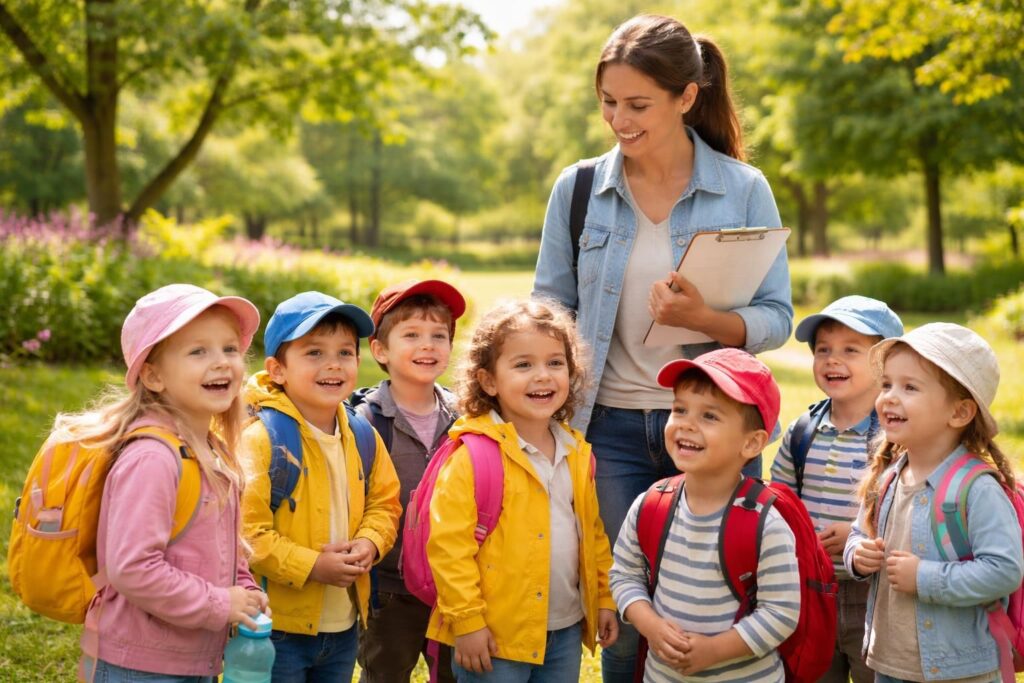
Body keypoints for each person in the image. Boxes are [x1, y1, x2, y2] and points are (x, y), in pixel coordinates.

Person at [532, 14, 793, 679]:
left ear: (687, 96)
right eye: (608, 102)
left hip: (716, 429)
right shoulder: (579, 189)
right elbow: (550, 310)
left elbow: (776, 317)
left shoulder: (743, 189)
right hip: (608, 430)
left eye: (638, 105)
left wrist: (706, 318)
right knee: (624, 617)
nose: (619, 120)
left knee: (727, 607)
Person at [66, 284, 269, 682]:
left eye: (230, 349)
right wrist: (219, 604)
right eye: (198, 351)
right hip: (139, 666)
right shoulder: (153, 458)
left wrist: (245, 590)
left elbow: (223, 547)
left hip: (192, 657)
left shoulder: (211, 450)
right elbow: (133, 568)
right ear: (154, 375)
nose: (222, 362)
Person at [426, 299, 619, 681]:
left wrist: (604, 598)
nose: (543, 376)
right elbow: (449, 548)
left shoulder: (576, 451)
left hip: (564, 629)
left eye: (555, 363)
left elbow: (592, 535)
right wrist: (467, 622)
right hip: (494, 637)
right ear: (489, 381)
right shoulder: (473, 456)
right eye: (523, 365)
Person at [845, 323, 1024, 682]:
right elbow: (858, 533)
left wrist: (924, 578)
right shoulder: (888, 477)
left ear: (959, 413)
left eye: (909, 387)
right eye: (887, 384)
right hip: (889, 663)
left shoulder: (977, 489)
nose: (889, 397)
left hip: (959, 670)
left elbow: (1005, 570)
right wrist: (857, 556)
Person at [239, 291, 401, 682]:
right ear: (278, 370)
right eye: (314, 353)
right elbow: (246, 534)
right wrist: (312, 566)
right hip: (276, 627)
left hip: (344, 624)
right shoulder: (261, 440)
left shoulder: (361, 434)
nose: (333, 364)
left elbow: (385, 502)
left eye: (345, 352)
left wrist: (369, 543)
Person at [610, 349, 801, 681]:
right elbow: (624, 576)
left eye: (709, 416)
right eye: (680, 409)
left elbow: (781, 612)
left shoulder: (764, 524)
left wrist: (715, 650)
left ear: (752, 443)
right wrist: (650, 625)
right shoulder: (650, 505)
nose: (686, 424)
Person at [769, 295, 903, 683]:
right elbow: (780, 500)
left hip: (874, 595)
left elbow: (911, 507)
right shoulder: (803, 431)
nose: (832, 360)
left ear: (886, 364)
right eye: (823, 349)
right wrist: (797, 539)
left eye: (850, 350)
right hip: (812, 590)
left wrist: (858, 535)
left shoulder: (895, 436)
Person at [353, 279, 466, 683]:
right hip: (388, 588)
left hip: (452, 585)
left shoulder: (465, 417)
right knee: (385, 673)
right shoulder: (367, 421)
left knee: (456, 674)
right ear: (380, 350)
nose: (428, 345)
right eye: (412, 335)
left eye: (439, 335)